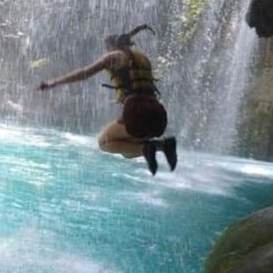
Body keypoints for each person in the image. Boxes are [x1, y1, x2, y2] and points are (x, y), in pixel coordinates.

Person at [38, 24, 177, 175]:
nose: (107, 52)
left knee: (104, 142)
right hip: (157, 113)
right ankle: (161, 146)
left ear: (112, 46)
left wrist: (54, 82)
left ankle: (153, 147)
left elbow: (84, 73)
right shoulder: (142, 58)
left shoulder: (114, 56)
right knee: (127, 151)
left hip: (138, 112)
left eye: (107, 48)